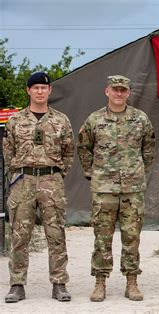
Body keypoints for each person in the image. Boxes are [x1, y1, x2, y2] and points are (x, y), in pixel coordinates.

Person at [77, 75, 156, 302]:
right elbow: (83, 147)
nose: (119, 94)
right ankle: (100, 282)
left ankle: (131, 282)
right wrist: (92, 173)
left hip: (132, 189)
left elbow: (149, 149)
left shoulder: (140, 119)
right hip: (104, 188)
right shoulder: (95, 120)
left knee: (132, 237)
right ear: (107, 91)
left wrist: (139, 172)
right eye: (115, 90)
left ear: (129, 93)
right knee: (102, 237)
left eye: (123, 90)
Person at [3, 72, 74, 303]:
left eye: (44, 88)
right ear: (29, 91)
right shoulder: (15, 120)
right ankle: (17, 284)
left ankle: (59, 283)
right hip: (22, 181)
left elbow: (68, 151)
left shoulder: (61, 120)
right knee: (19, 235)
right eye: (36, 88)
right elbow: (8, 151)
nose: (40, 92)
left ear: (50, 91)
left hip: (51, 181)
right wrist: (18, 172)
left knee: (56, 234)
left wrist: (57, 174)